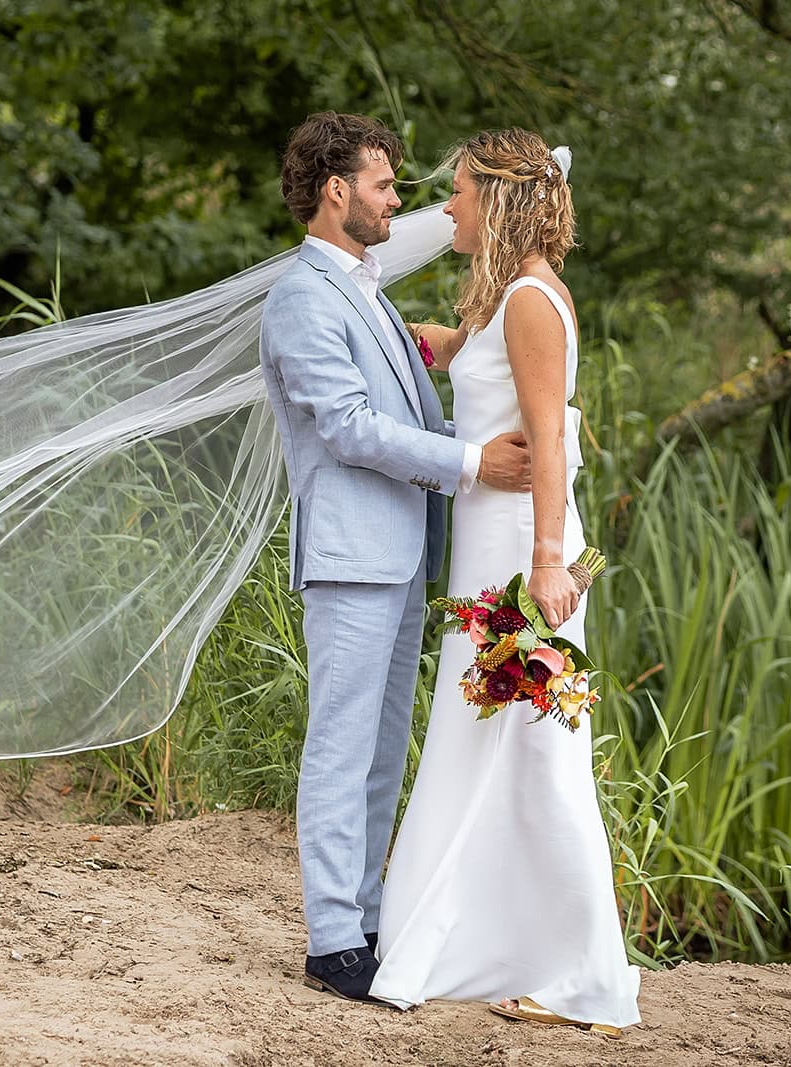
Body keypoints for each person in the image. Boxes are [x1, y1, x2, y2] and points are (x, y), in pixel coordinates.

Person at [366, 128, 641, 1037]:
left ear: (503, 201)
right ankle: (502, 939)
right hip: (489, 545)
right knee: (490, 739)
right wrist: (440, 342)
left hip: (523, 558)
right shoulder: (508, 302)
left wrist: (552, 561)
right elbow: (496, 379)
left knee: (539, 745)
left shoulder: (530, 301)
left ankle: (583, 976)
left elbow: (552, 441)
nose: (446, 208)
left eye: (461, 193)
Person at [256, 112, 532, 1003]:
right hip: (349, 556)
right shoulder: (303, 296)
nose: (397, 200)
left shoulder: (363, 287)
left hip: (400, 553)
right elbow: (345, 428)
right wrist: (470, 463)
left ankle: (367, 922)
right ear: (337, 191)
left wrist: (497, 440)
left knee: (380, 750)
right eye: (382, 185)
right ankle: (333, 938)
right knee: (340, 748)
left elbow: (406, 421)